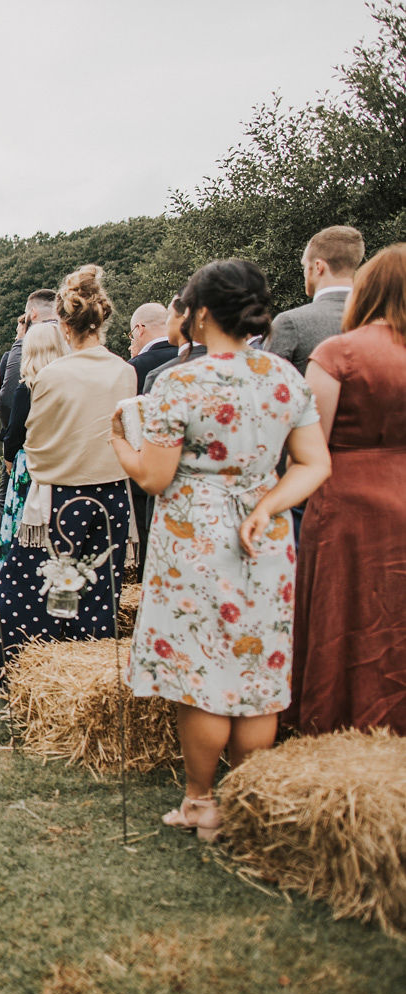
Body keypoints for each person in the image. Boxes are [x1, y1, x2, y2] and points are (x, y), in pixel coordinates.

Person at [117, 259, 329, 840]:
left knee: (201, 672)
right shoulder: (287, 378)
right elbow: (315, 464)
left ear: (202, 314)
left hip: (195, 537)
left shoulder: (179, 383)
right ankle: (247, 806)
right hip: (266, 535)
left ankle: (201, 803)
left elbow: (155, 478)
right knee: (256, 675)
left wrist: (119, 444)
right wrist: (266, 504)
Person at [0, 265, 136, 699]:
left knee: (22, 587)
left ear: (64, 325)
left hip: (60, 497)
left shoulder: (52, 375)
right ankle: (81, 686)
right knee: (97, 590)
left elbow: (37, 443)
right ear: (101, 319)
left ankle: (8, 679)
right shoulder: (125, 370)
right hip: (114, 499)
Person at [289, 243, 406, 736]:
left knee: (343, 611)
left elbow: (313, 442)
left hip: (347, 497)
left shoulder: (340, 351)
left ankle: (334, 721)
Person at [0, 322, 70, 558]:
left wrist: (9, 460)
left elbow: (16, 432)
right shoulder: (69, 385)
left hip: (32, 464)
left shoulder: (27, 388)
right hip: (64, 462)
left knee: (25, 524)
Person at [268, 225, 365, 374]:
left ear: (318, 267)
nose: (305, 273)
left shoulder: (290, 323)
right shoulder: (381, 318)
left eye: (305, 266)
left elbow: (269, 386)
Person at [125, 301, 175, 576]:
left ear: (139, 329)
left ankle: (149, 577)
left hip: (147, 461)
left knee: (147, 526)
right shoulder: (194, 357)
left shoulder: (134, 367)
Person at [0, 289, 57, 418]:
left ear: (33, 313)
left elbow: (8, 400)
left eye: (26, 313)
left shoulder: (23, 346)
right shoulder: (73, 342)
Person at [128, 301, 177, 384]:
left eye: (132, 335)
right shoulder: (190, 355)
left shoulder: (133, 368)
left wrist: (135, 360)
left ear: (139, 328)